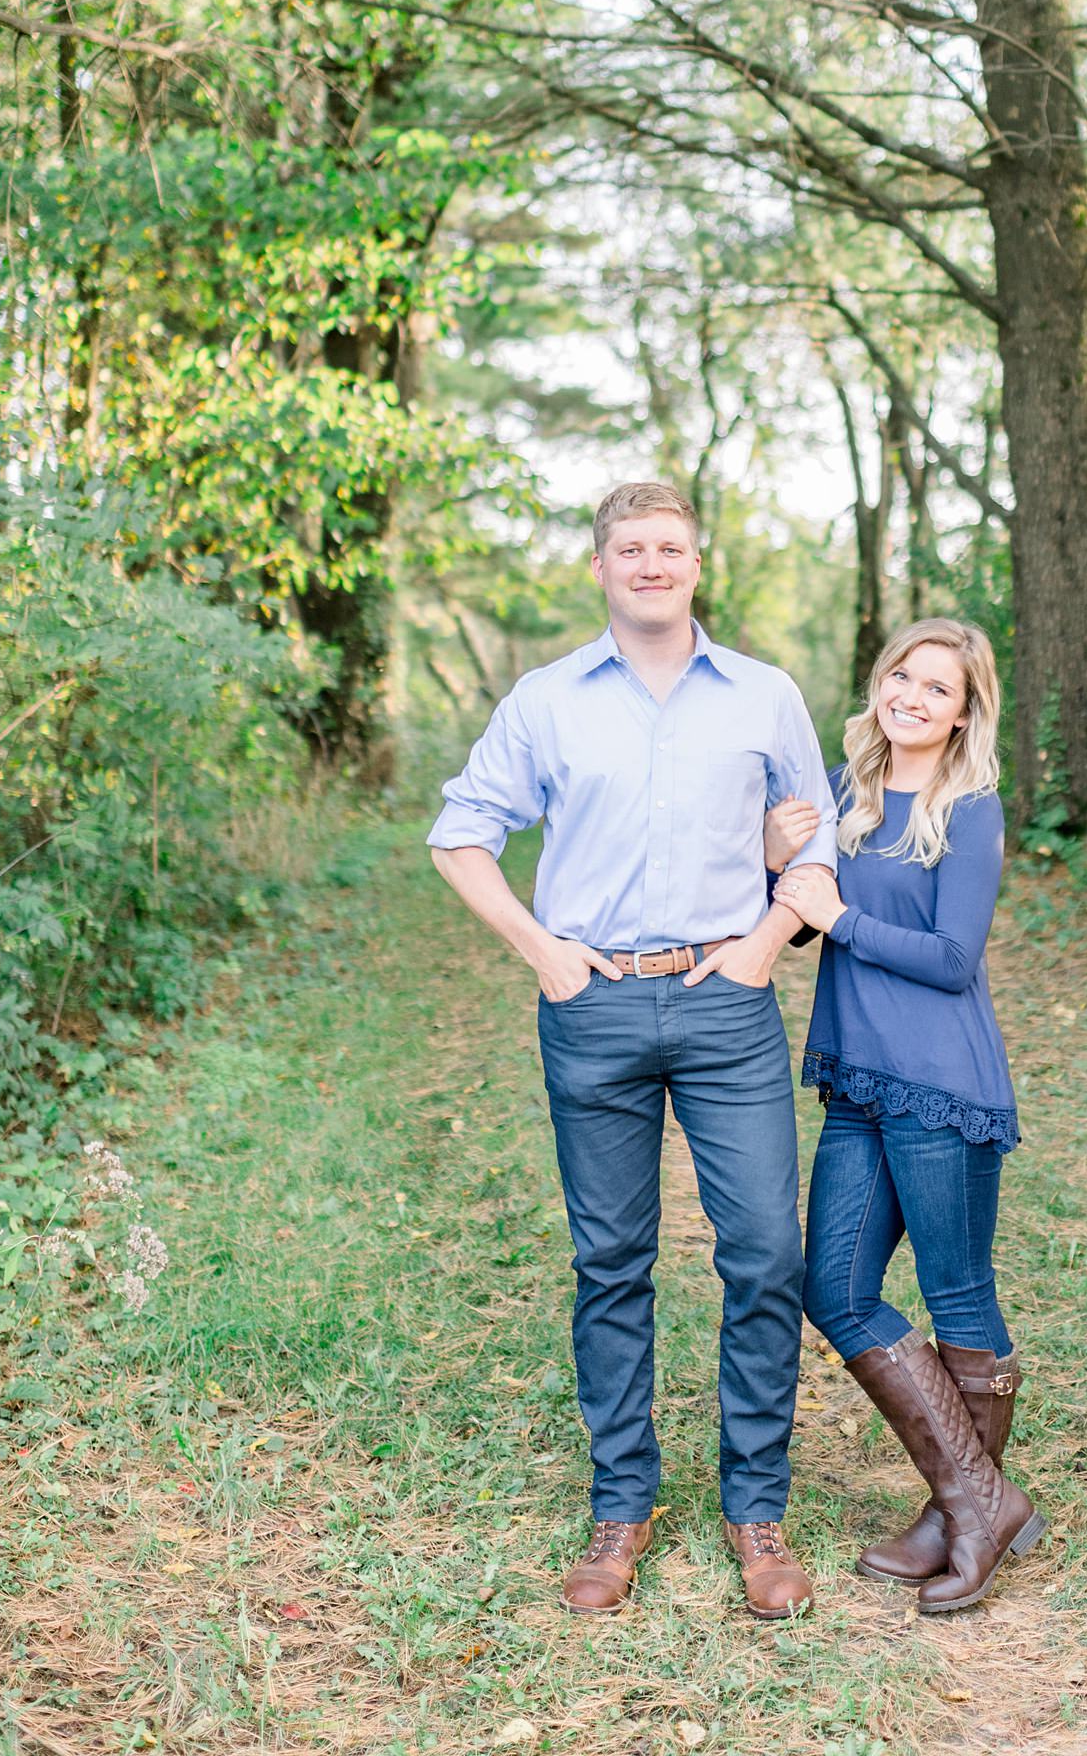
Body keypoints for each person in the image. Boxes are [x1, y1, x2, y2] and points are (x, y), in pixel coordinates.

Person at [427, 482, 839, 1621]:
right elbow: (460, 833)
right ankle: (623, 1507)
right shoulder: (547, 701)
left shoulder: (763, 696)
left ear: (696, 565)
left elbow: (819, 843)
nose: (651, 563)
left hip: (724, 1001)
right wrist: (539, 949)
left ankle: (756, 1510)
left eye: (670, 547)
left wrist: (766, 941)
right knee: (611, 1263)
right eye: (630, 549)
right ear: (600, 567)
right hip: (593, 1003)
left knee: (764, 1252)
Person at [767, 618, 1046, 1614]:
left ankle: (963, 1513)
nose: (915, 697)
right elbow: (799, 917)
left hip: (939, 1081)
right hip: (859, 1080)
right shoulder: (844, 794)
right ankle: (976, 1496)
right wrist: (779, 864)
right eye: (903, 676)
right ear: (879, 683)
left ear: (964, 710)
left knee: (955, 1289)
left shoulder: (968, 807)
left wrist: (841, 917)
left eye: (939, 687)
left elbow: (950, 957)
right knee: (834, 1288)